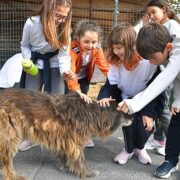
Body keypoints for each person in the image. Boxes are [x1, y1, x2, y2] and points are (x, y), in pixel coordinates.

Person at [118, 22, 180, 178]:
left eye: (153, 58)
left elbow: (166, 77)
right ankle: (170, 161)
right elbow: (178, 78)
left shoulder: (178, 50)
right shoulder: (164, 42)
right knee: (175, 126)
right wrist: (178, 100)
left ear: (168, 47)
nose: (151, 62)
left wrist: (135, 103)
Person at [97, 23, 164, 165]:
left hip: (147, 98)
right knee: (128, 124)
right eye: (113, 48)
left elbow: (155, 89)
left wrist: (149, 113)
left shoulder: (148, 61)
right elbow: (110, 86)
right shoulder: (116, 63)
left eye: (119, 48)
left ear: (131, 44)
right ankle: (128, 149)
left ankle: (140, 148)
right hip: (126, 98)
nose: (116, 52)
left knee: (145, 127)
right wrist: (103, 96)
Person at [19, 0, 75, 151]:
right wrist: (27, 60)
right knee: (31, 100)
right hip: (35, 62)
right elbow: (24, 45)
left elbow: (64, 56)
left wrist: (65, 71)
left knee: (58, 100)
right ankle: (29, 136)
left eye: (65, 16)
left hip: (55, 62)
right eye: (58, 15)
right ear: (48, 9)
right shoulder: (31, 23)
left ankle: (55, 136)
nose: (61, 20)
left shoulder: (65, 29)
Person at [65, 19, 109, 147]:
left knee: (85, 104)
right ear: (78, 38)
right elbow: (71, 70)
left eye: (94, 42)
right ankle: (69, 134)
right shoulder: (72, 48)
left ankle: (85, 134)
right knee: (70, 105)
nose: (90, 45)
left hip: (84, 78)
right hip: (69, 77)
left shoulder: (97, 49)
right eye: (87, 42)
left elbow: (104, 67)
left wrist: (116, 79)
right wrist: (76, 90)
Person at [144, 0, 180, 156]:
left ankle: (170, 141)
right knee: (158, 106)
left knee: (165, 108)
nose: (151, 16)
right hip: (160, 70)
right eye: (149, 13)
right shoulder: (157, 27)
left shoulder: (172, 25)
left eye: (153, 12)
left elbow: (176, 46)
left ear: (164, 10)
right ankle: (159, 139)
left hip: (169, 73)